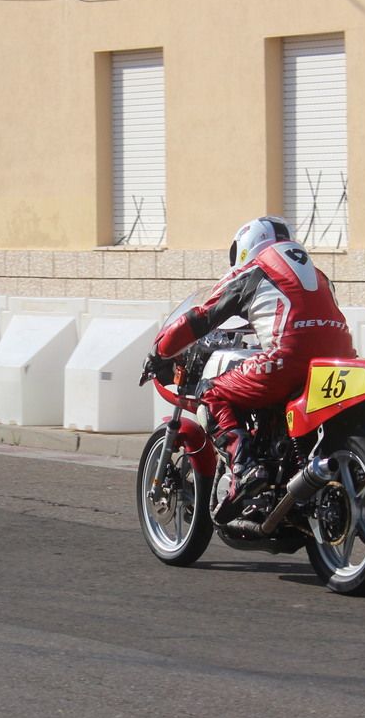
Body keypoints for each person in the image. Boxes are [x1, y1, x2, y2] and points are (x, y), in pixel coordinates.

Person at [148, 216, 354, 515]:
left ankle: (243, 468)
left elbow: (202, 316)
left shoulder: (253, 270)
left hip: (287, 359)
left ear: (245, 246)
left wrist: (160, 351)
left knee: (212, 392)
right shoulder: (316, 274)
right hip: (339, 359)